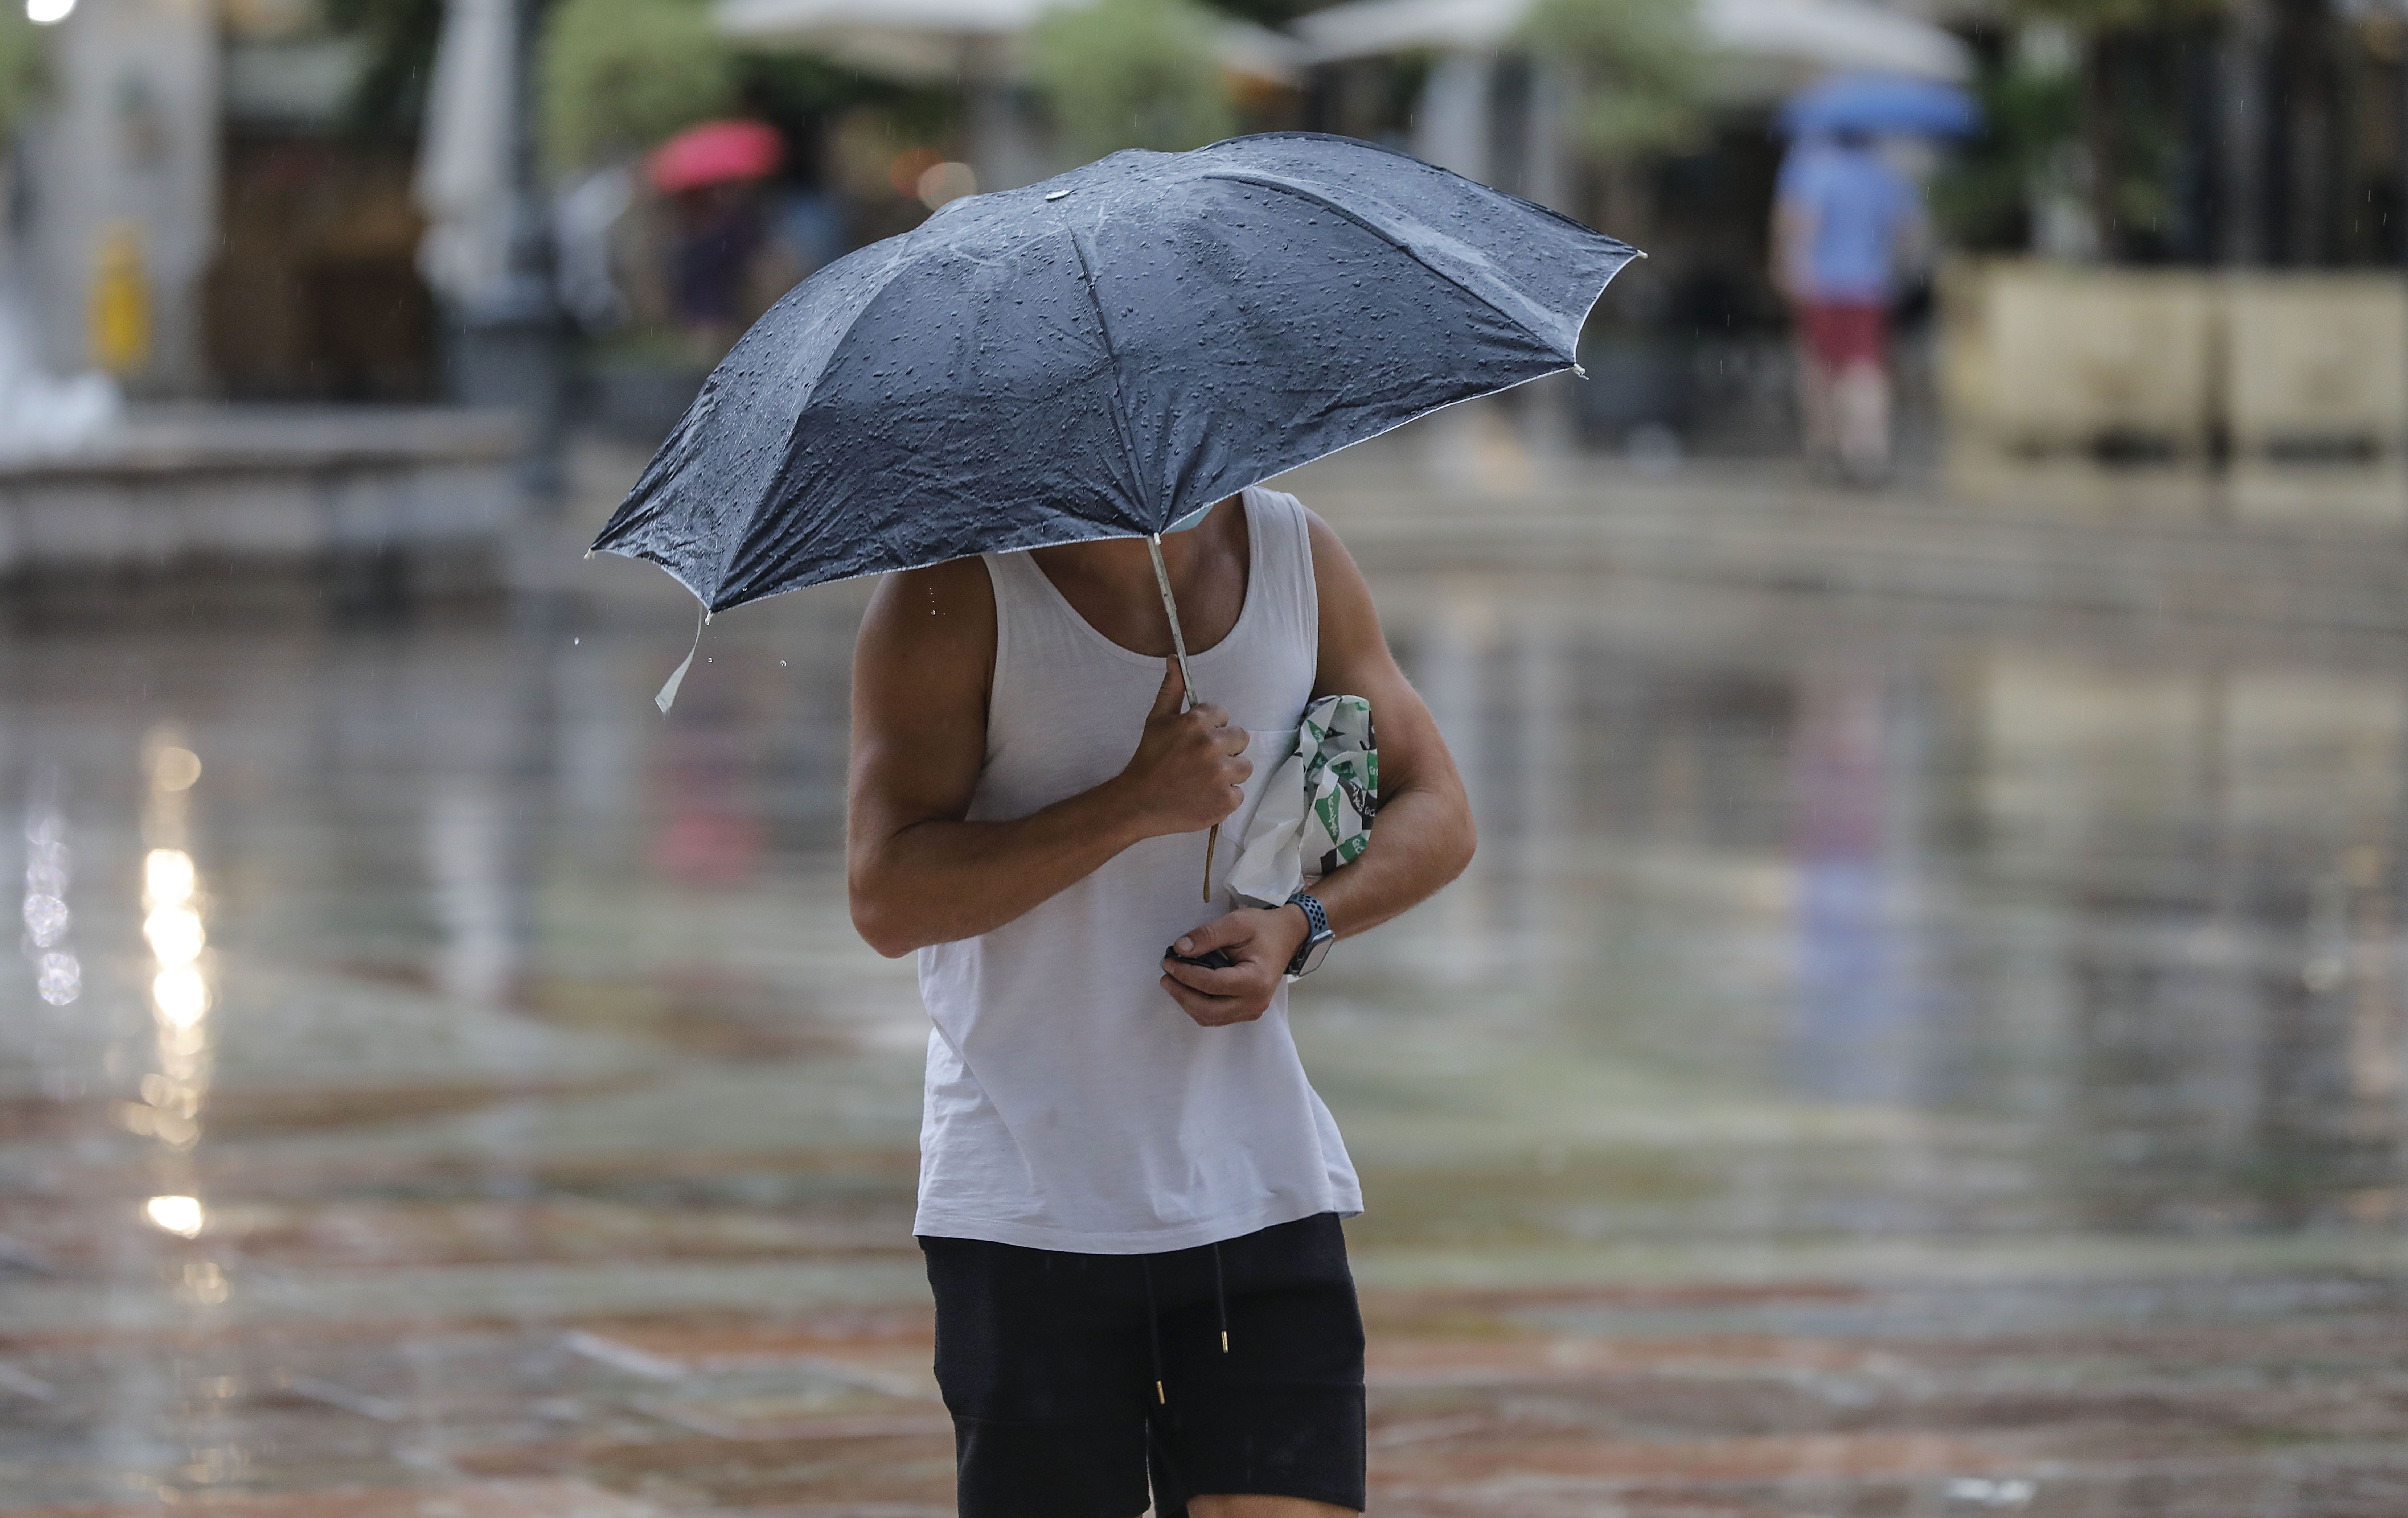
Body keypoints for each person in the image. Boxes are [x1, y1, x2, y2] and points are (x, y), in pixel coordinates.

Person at [847, 488, 1476, 1517]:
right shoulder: (948, 592)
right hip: (1031, 1200)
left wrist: (1300, 926)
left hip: (1257, 1178)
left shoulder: (1294, 555)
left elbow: (1438, 808)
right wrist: (1129, 808)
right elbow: (886, 895)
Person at [1773, 128, 1925, 484]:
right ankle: (1868, 450)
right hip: (1871, 288)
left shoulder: (1812, 170)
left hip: (1823, 287)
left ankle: (1824, 448)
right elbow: (1909, 231)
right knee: (1866, 370)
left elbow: (1800, 224)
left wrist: (1788, 267)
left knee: (1819, 368)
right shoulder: (1885, 176)